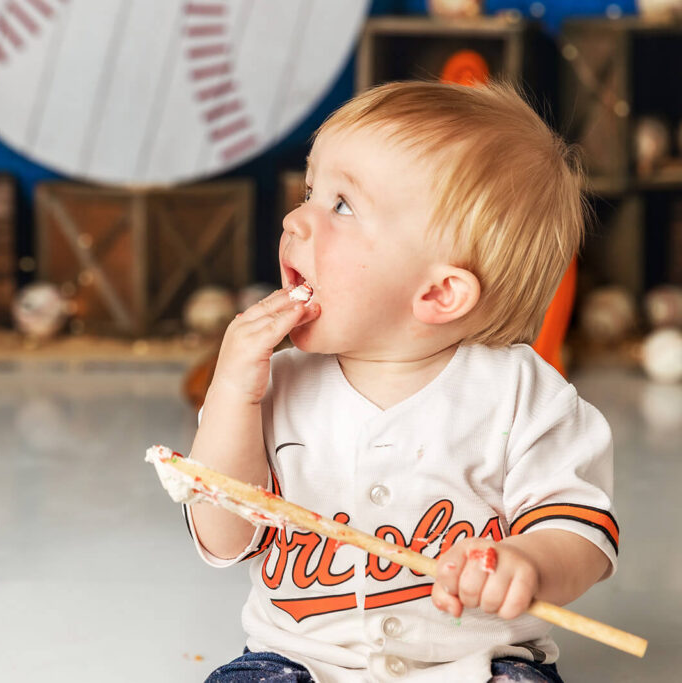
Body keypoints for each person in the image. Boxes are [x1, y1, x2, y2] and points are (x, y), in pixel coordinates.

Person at [184, 81, 617, 682]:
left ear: (439, 292)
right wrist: (231, 392)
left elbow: (580, 531)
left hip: (477, 665)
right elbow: (223, 536)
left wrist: (528, 562)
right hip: (300, 663)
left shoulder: (524, 396)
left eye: (341, 205)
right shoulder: (272, 387)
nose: (295, 219)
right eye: (310, 191)